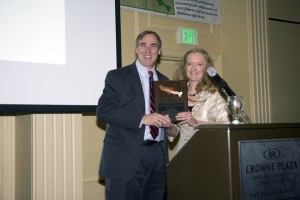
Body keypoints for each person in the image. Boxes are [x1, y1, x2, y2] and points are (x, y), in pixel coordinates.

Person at [96, 30, 173, 200]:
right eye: (143, 45)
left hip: (157, 158)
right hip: (124, 159)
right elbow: (103, 110)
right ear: (136, 49)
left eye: (153, 46)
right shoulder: (118, 76)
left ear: (159, 51)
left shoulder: (166, 82)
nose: (148, 50)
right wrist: (142, 118)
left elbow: (171, 122)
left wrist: (171, 123)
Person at [166, 48, 230, 154]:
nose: (193, 69)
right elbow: (174, 133)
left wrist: (195, 122)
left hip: (210, 153)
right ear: (184, 68)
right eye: (189, 64)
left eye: (199, 64)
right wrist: (168, 125)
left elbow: (226, 128)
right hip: (184, 155)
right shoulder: (176, 94)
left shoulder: (216, 95)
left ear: (206, 69)